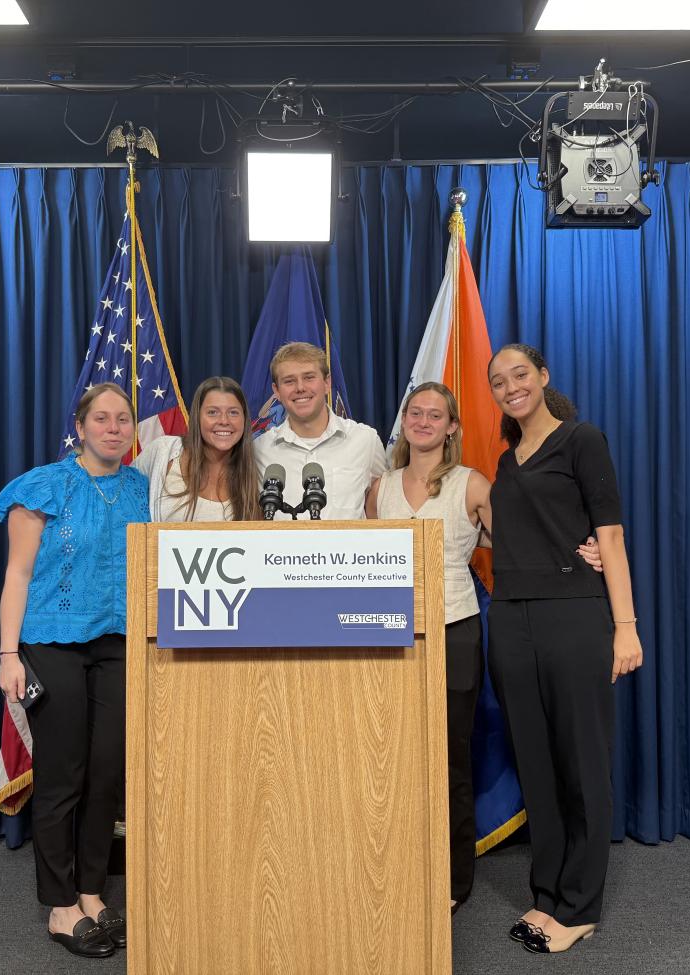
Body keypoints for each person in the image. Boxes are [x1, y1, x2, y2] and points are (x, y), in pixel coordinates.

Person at [367, 381, 602, 915]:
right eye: (415, 413)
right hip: (386, 633)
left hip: (454, 631)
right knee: (392, 758)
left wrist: (589, 551)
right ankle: (395, 868)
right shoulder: (378, 489)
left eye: (436, 415)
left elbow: (520, 542)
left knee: (450, 759)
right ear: (404, 421)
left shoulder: (472, 484)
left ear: (452, 427)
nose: (424, 421)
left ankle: (453, 880)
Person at [485, 344, 643, 954]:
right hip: (512, 621)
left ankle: (579, 906)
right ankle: (546, 893)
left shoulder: (582, 440)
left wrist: (624, 627)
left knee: (581, 761)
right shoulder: (504, 463)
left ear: (543, 377)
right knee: (537, 764)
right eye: (498, 381)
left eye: (519, 374)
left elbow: (611, 537)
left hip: (575, 618)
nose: (509, 386)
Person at [0, 382, 149, 958]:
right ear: (80, 427)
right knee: (64, 774)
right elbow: (18, 576)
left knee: (107, 772)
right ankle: (60, 905)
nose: (114, 428)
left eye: (123, 419)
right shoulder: (43, 486)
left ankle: (91, 892)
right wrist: (9, 656)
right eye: (102, 419)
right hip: (52, 644)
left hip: (119, 644)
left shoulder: (143, 489)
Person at [255, 341, 388, 519]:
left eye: (309, 377)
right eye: (289, 381)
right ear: (276, 391)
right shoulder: (259, 449)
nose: (300, 388)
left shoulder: (365, 440)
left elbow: (383, 506)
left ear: (327, 382)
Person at [132, 376, 259, 522]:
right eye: (212, 412)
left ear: (244, 419)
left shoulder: (255, 470)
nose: (224, 421)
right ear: (197, 417)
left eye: (233, 412)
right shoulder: (163, 451)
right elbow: (121, 498)